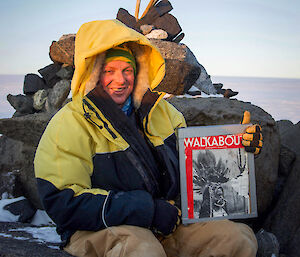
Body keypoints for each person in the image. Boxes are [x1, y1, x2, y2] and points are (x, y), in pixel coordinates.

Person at [34, 19, 262, 257]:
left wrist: (235, 149)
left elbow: (194, 178)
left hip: (166, 223)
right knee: (143, 251)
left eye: (127, 70)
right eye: (109, 71)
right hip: (96, 229)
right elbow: (63, 201)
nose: (120, 80)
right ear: (93, 73)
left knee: (238, 239)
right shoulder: (69, 123)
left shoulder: (165, 114)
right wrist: (147, 210)